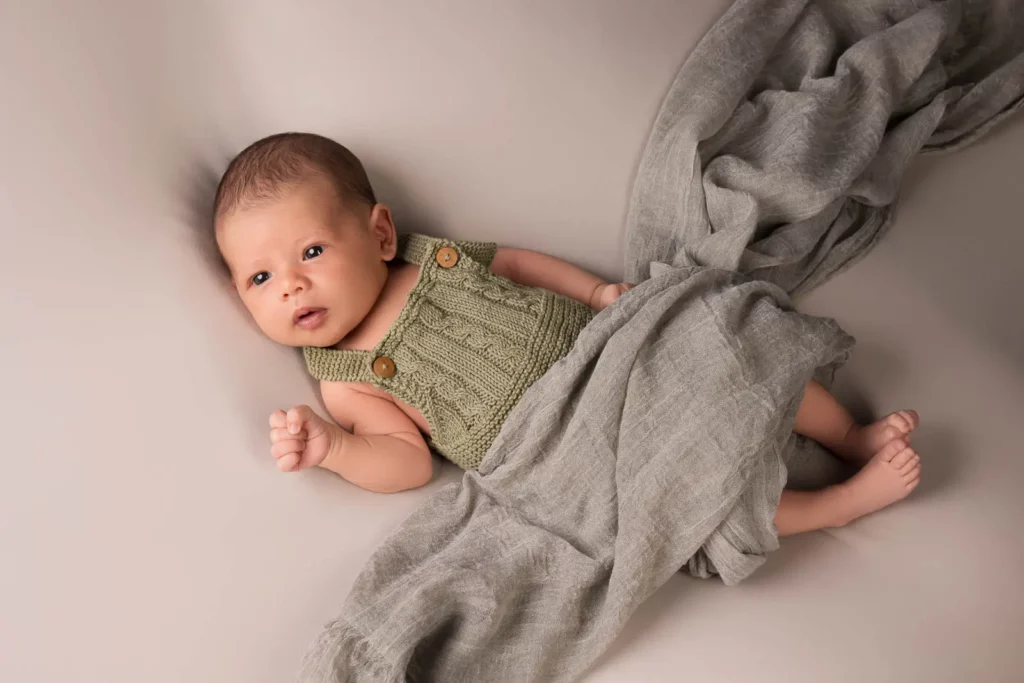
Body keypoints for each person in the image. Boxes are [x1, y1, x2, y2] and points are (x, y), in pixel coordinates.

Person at [213, 132, 921, 536]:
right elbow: (406, 460)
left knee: (731, 345)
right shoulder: (346, 377)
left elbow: (518, 263)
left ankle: (848, 436)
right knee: (678, 497)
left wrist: (596, 291)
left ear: (380, 233)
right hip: (566, 445)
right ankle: (839, 504)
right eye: (259, 279)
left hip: (609, 347)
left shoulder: (428, 258)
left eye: (310, 253)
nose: (292, 286)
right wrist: (334, 447)